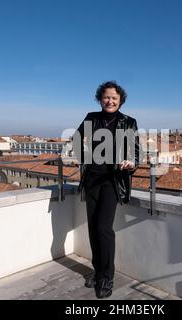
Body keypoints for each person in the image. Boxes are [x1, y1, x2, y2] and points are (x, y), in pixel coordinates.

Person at [72, 81, 139, 299]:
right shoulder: (91, 117)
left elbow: (135, 152)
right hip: (92, 179)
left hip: (112, 181)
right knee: (93, 228)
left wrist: (131, 162)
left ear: (120, 101)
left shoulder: (128, 122)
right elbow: (75, 139)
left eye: (114, 98)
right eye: (106, 97)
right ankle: (98, 271)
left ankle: (106, 278)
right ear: (100, 99)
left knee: (104, 229)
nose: (110, 101)